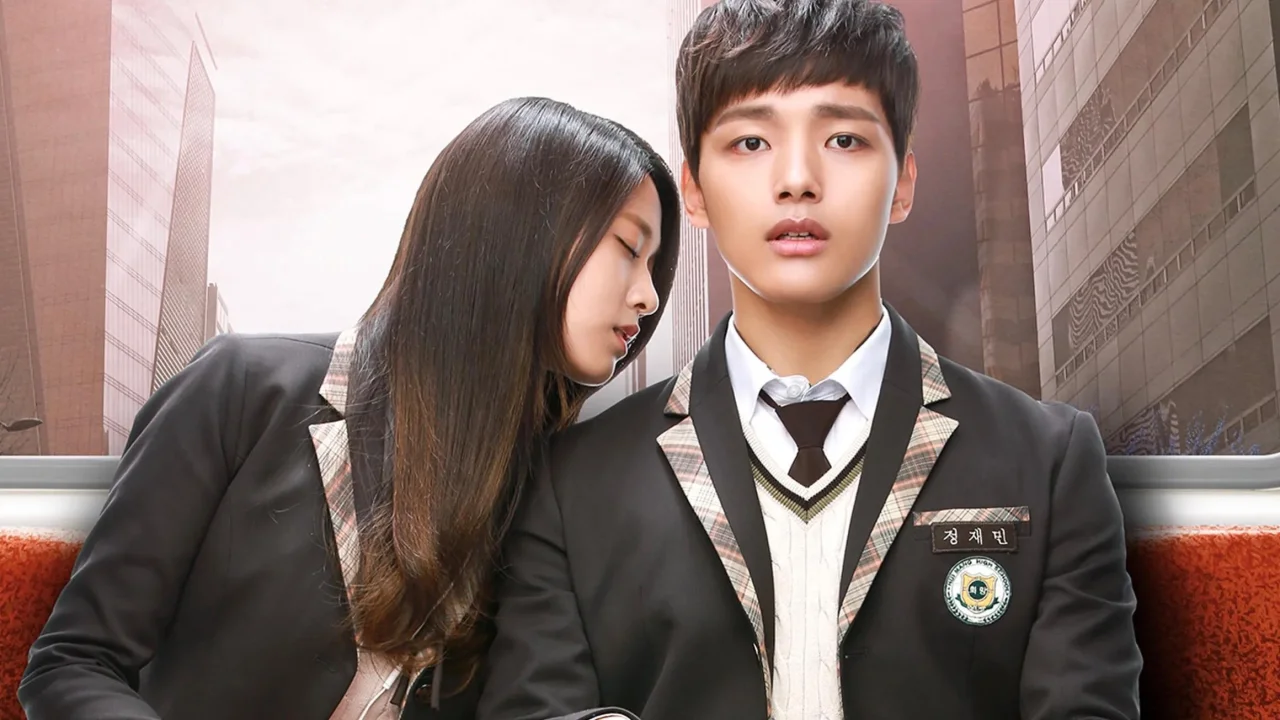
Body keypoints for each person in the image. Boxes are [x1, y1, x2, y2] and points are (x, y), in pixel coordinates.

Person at [476, 1, 1142, 719]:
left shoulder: (1048, 461)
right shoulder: (572, 482)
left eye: (845, 140)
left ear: (904, 183)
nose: (797, 179)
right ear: (693, 192)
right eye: (751, 142)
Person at [18, 96, 681, 720]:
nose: (649, 296)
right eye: (629, 248)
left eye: (654, 265)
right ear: (522, 234)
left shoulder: (547, 490)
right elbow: (73, 663)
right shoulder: (242, 389)